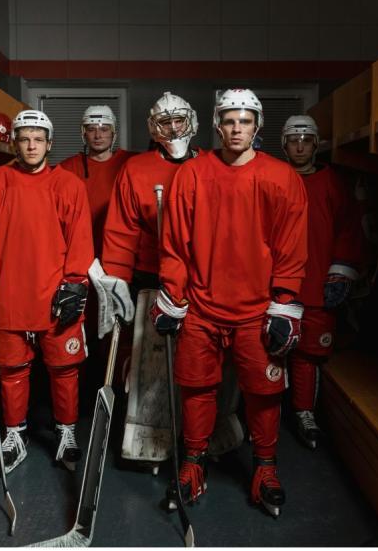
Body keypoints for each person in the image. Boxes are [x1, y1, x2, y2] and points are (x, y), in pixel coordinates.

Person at [153, 89, 308, 517]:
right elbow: (175, 245)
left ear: (257, 126)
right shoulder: (193, 174)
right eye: (229, 120)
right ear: (217, 125)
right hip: (202, 305)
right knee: (197, 386)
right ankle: (193, 463)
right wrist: (173, 296)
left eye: (244, 121)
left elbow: (292, 248)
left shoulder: (281, 178)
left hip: (257, 310)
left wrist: (285, 303)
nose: (236, 128)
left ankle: (265, 468)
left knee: (263, 391)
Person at [0, 109, 94, 473]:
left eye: (38, 139)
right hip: (10, 294)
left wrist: (75, 282)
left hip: (55, 296)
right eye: (25, 138)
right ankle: (15, 435)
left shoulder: (69, 186)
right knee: (12, 370)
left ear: (49, 143)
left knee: (65, 370)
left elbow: (80, 239)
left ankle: (66, 431)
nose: (32, 145)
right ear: (14, 142)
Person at [98, 92, 200, 467]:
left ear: (191, 121)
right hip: (148, 275)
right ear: (153, 130)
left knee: (194, 360)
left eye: (179, 121)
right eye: (165, 123)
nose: (173, 129)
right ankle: (143, 430)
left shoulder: (207, 166)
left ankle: (195, 437)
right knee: (145, 359)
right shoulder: (136, 169)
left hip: (196, 279)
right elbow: (121, 230)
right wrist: (116, 282)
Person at [280, 115, 365, 449]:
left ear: (315, 144)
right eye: (293, 139)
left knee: (308, 355)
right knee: (266, 353)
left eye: (306, 139)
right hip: (277, 288)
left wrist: (340, 271)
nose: (299, 145)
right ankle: (260, 414)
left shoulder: (333, 183)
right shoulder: (273, 177)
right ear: (284, 144)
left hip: (316, 286)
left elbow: (348, 229)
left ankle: (304, 412)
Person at [59, 105, 135, 260]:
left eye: (104, 129)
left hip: (121, 250)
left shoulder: (132, 163)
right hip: (80, 249)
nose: (98, 135)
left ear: (114, 133)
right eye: (91, 129)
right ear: (83, 134)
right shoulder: (68, 167)